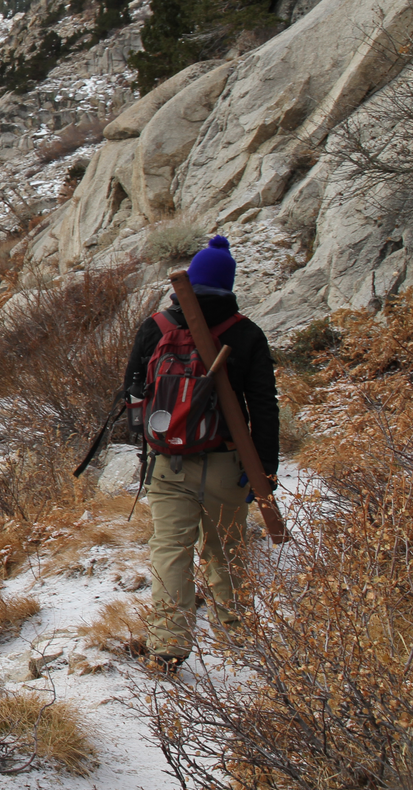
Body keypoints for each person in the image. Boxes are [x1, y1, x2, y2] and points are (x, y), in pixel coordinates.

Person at [121, 235, 280, 674]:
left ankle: (168, 647)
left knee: (170, 549)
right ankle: (237, 636)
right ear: (228, 285)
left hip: (168, 462)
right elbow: (264, 405)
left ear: (189, 281)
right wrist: (265, 468)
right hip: (228, 462)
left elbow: (132, 390)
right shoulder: (246, 333)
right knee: (225, 549)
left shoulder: (155, 325)